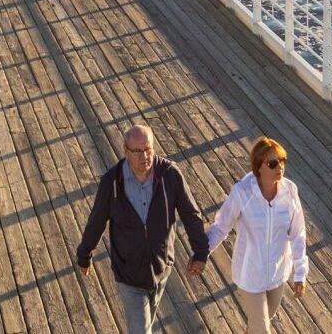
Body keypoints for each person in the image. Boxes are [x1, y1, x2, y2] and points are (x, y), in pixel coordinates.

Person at [76, 125, 209, 334]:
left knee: (146, 322)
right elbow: (96, 221)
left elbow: (191, 215)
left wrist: (200, 253)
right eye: (138, 151)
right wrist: (84, 255)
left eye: (148, 149)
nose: (145, 156)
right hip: (129, 274)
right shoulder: (111, 183)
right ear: (126, 151)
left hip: (161, 269)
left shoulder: (170, 175)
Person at [204, 137, 309, 334]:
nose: (280, 167)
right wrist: (201, 254)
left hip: (277, 275)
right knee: (262, 331)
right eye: (273, 163)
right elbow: (221, 227)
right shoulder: (242, 192)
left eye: (283, 160)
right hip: (250, 275)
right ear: (259, 167)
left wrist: (301, 273)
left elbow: (298, 234)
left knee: (256, 327)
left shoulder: (290, 191)